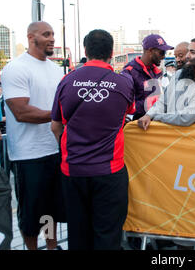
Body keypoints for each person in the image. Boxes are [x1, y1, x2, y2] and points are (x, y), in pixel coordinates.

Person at [51, 29, 134, 250]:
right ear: (112, 51)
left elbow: (55, 126)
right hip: (109, 172)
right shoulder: (124, 83)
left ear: (86, 51)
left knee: (78, 234)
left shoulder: (67, 81)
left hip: (73, 171)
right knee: (107, 234)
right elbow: (128, 113)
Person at [1, 21, 65, 250]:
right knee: (30, 214)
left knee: (50, 210)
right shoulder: (16, 68)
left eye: (53, 34)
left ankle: (51, 247)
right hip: (27, 155)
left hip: (54, 150)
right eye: (46, 34)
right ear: (31, 38)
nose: (52, 39)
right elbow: (21, 112)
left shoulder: (56, 70)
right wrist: (59, 115)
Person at [138, 37, 195, 130]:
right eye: (188, 51)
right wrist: (149, 115)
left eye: (193, 52)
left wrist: (155, 117)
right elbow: (163, 102)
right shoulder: (178, 75)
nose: (187, 56)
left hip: (192, 142)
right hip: (169, 140)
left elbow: (185, 118)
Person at [121, 34, 173, 120]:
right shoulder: (129, 72)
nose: (164, 56)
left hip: (155, 123)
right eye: (161, 52)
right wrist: (153, 102)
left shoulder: (157, 71)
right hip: (138, 127)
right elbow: (126, 106)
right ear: (150, 51)